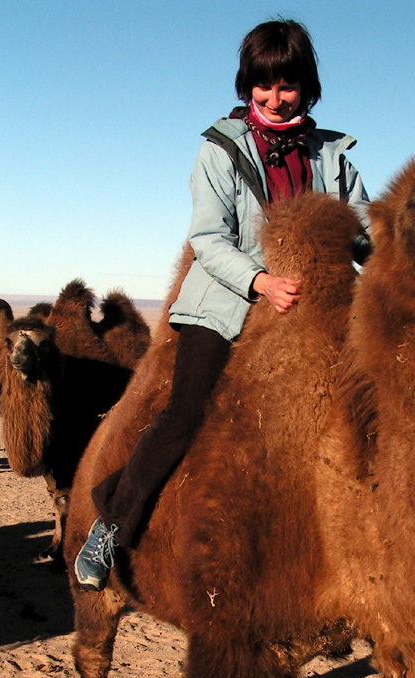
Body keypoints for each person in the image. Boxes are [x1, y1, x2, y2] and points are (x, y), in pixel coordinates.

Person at [74, 18, 370, 591]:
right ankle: (110, 524)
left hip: (314, 302)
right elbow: (210, 239)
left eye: (288, 86)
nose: (276, 99)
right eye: (265, 86)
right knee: (185, 412)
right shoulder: (220, 152)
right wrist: (260, 281)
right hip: (229, 298)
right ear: (247, 87)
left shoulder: (333, 156)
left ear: (307, 88)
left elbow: (362, 229)